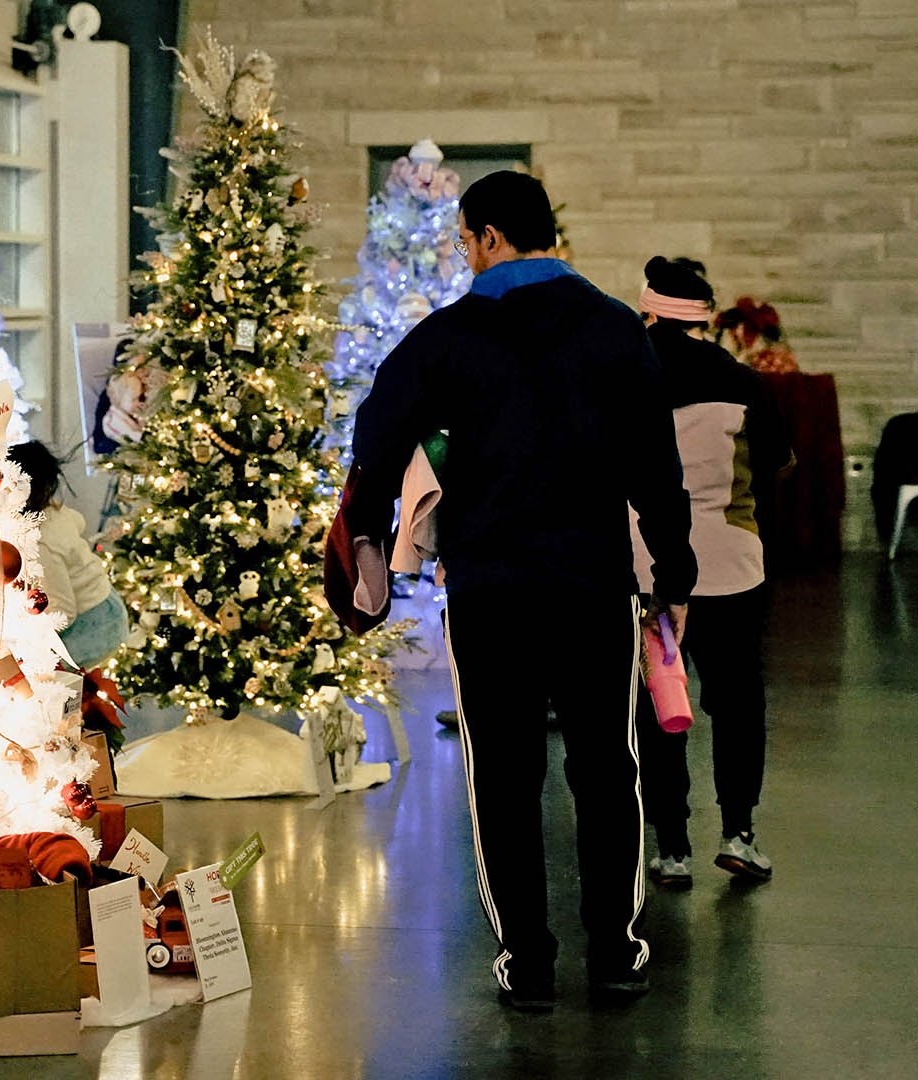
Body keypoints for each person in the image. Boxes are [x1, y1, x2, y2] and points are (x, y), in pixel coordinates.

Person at [348, 171, 696, 1011]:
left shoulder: (450, 337)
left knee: (502, 777)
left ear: (493, 237)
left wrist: (367, 534)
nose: (465, 255)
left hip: (492, 592)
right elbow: (657, 465)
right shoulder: (617, 330)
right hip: (590, 587)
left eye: (467, 240)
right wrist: (673, 577)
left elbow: (376, 432)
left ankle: (529, 967)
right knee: (608, 770)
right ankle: (616, 954)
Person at [631, 257, 792, 888]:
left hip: (646, 569)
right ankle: (739, 833)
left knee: (661, 705)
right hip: (732, 567)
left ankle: (671, 848)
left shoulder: (624, 379)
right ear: (705, 315)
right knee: (737, 702)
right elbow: (777, 463)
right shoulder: (744, 381)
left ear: (648, 310)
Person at [6, 441, 129, 668]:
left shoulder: (40, 539)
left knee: (41, 673)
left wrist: (30, 635)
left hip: (94, 623)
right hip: (107, 604)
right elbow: (77, 523)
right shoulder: (53, 511)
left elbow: (62, 611)